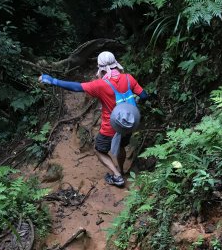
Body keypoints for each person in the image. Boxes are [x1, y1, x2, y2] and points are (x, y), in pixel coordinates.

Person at [39, 51, 148, 187]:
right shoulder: (128, 78)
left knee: (99, 150)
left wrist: (53, 80)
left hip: (111, 126)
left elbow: (78, 87)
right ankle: (121, 169)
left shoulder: (100, 85)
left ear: (100, 67)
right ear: (116, 63)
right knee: (121, 145)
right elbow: (143, 95)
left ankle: (117, 176)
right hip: (129, 122)